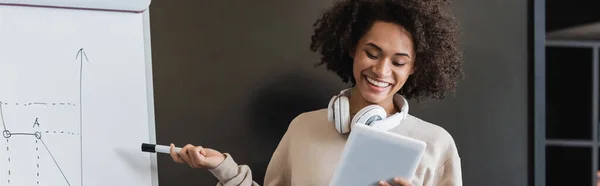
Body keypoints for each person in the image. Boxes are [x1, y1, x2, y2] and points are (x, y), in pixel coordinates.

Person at [169, 0, 464, 185]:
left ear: (414, 67)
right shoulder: (303, 128)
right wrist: (224, 169)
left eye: (399, 61)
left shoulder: (436, 145)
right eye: (372, 53)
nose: (382, 70)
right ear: (352, 48)